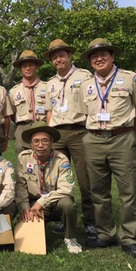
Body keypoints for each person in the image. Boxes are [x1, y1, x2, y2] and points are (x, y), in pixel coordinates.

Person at [78, 38, 136, 261]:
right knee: (98, 191)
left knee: (128, 191)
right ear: (90, 61)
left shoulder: (130, 78)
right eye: (94, 56)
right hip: (94, 140)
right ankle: (106, 234)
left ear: (112, 56)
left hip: (121, 139)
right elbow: (85, 114)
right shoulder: (85, 85)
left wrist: (129, 133)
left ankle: (129, 238)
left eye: (103, 54)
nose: (99, 59)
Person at [43, 39, 97, 237]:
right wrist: (50, 133)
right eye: (54, 57)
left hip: (79, 132)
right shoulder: (50, 83)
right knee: (56, 179)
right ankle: (61, 218)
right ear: (51, 61)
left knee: (85, 178)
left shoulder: (84, 76)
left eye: (62, 55)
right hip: (57, 134)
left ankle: (90, 221)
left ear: (69, 56)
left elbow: (93, 103)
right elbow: (49, 111)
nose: (58, 59)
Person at [15, 121, 83, 254]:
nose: (40, 145)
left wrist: (42, 202)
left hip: (54, 203)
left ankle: (70, 238)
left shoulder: (61, 159)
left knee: (68, 204)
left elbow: (66, 189)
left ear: (51, 143)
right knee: (31, 240)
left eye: (45, 141)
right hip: (33, 204)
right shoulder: (23, 158)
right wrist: (25, 207)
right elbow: (20, 185)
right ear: (30, 143)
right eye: (36, 141)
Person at [9, 50, 47, 154]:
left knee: (45, 155)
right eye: (24, 66)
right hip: (23, 126)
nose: (28, 68)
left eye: (31, 65)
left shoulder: (47, 87)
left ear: (37, 66)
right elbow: (12, 113)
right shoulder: (14, 91)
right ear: (21, 69)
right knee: (22, 156)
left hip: (42, 124)